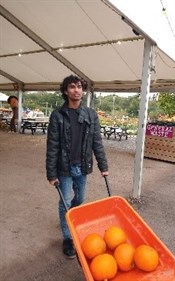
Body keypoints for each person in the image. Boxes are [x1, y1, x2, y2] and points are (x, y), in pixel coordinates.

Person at [46, 75, 109, 259]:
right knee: (65, 201)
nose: (77, 90)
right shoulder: (57, 115)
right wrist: (51, 173)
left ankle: (68, 215)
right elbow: (52, 146)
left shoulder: (90, 114)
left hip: (82, 166)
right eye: (72, 87)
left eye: (79, 87)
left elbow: (97, 142)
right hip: (63, 168)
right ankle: (68, 238)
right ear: (66, 91)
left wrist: (103, 166)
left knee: (79, 199)